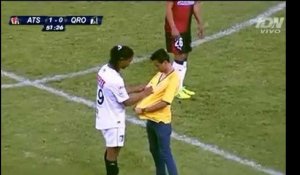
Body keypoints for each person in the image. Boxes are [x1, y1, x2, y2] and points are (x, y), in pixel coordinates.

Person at [95, 45, 153, 175]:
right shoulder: (115, 79)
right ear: (121, 59)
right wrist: (145, 94)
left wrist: (136, 88)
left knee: (112, 148)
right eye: (128, 60)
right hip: (113, 120)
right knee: (113, 151)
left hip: (104, 115)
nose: (130, 63)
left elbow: (115, 91)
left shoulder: (104, 70)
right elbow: (126, 101)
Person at [134, 48, 180, 175]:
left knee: (165, 153)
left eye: (157, 65)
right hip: (151, 121)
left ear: (165, 62)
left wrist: (143, 109)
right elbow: (149, 91)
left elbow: (165, 102)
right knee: (154, 150)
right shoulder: (160, 74)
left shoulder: (173, 79)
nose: (156, 67)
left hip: (161, 122)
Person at [165, 1, 204, 99]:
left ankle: (179, 87)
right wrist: (173, 27)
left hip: (185, 28)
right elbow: (169, 9)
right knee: (179, 56)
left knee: (185, 55)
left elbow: (195, 5)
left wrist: (200, 23)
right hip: (175, 28)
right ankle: (174, 89)